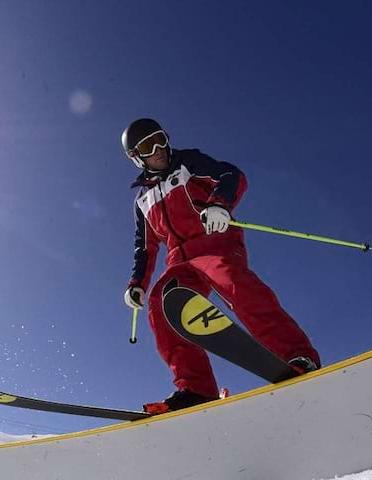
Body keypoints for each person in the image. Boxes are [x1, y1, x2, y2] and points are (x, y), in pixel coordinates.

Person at [121, 118, 320, 414]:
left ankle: (298, 356)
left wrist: (219, 204)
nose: (160, 149)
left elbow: (231, 175)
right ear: (137, 158)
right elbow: (145, 247)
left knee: (234, 283)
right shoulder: (142, 201)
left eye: (161, 139)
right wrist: (137, 283)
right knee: (162, 304)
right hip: (179, 258)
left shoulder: (188, 163)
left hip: (215, 240)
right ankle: (197, 389)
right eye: (149, 146)